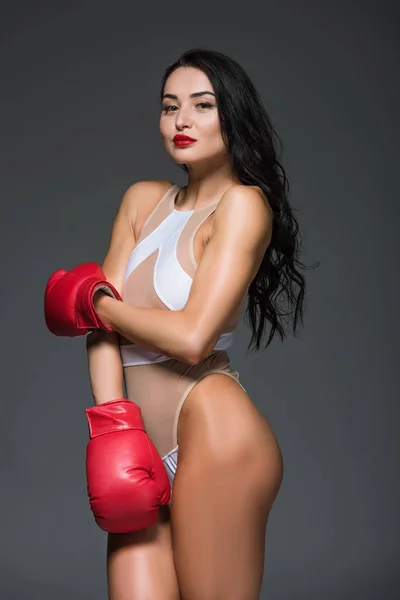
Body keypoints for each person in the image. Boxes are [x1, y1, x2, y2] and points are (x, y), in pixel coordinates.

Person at [45, 48, 306, 600]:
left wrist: (97, 299)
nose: (182, 120)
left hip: (213, 430)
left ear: (232, 116)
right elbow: (101, 334)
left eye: (202, 105)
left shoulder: (243, 207)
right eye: (170, 107)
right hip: (135, 436)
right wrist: (114, 424)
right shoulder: (143, 202)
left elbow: (191, 338)